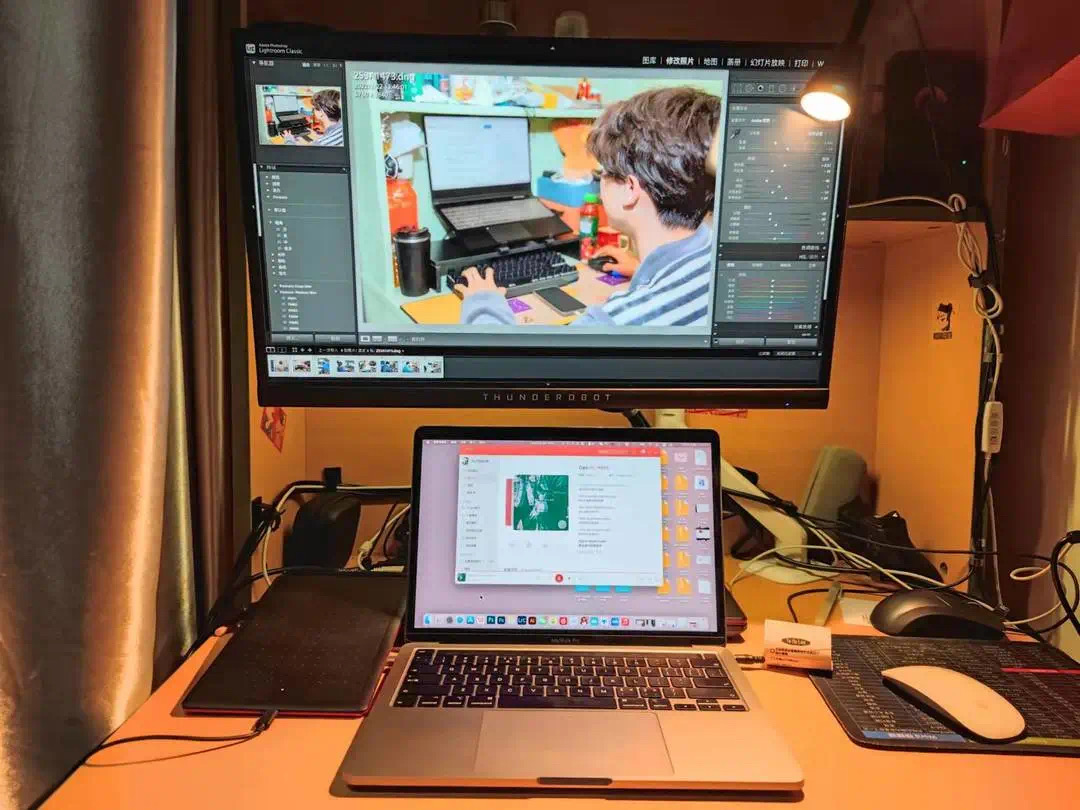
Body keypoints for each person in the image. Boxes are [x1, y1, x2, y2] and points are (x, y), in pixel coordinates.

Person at [455, 86, 721, 326]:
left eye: (603, 172)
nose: (599, 181)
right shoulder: (719, 259)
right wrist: (642, 269)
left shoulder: (612, 325)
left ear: (629, 189)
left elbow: (504, 362)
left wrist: (483, 302)